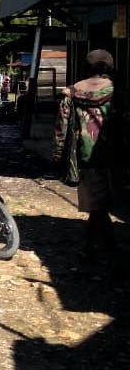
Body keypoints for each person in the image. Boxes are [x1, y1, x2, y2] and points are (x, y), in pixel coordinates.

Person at [53, 49, 118, 257]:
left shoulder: (71, 93)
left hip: (83, 156)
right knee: (100, 206)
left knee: (96, 205)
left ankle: (97, 248)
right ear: (108, 67)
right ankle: (105, 250)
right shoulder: (118, 92)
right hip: (112, 156)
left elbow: (61, 129)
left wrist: (58, 157)